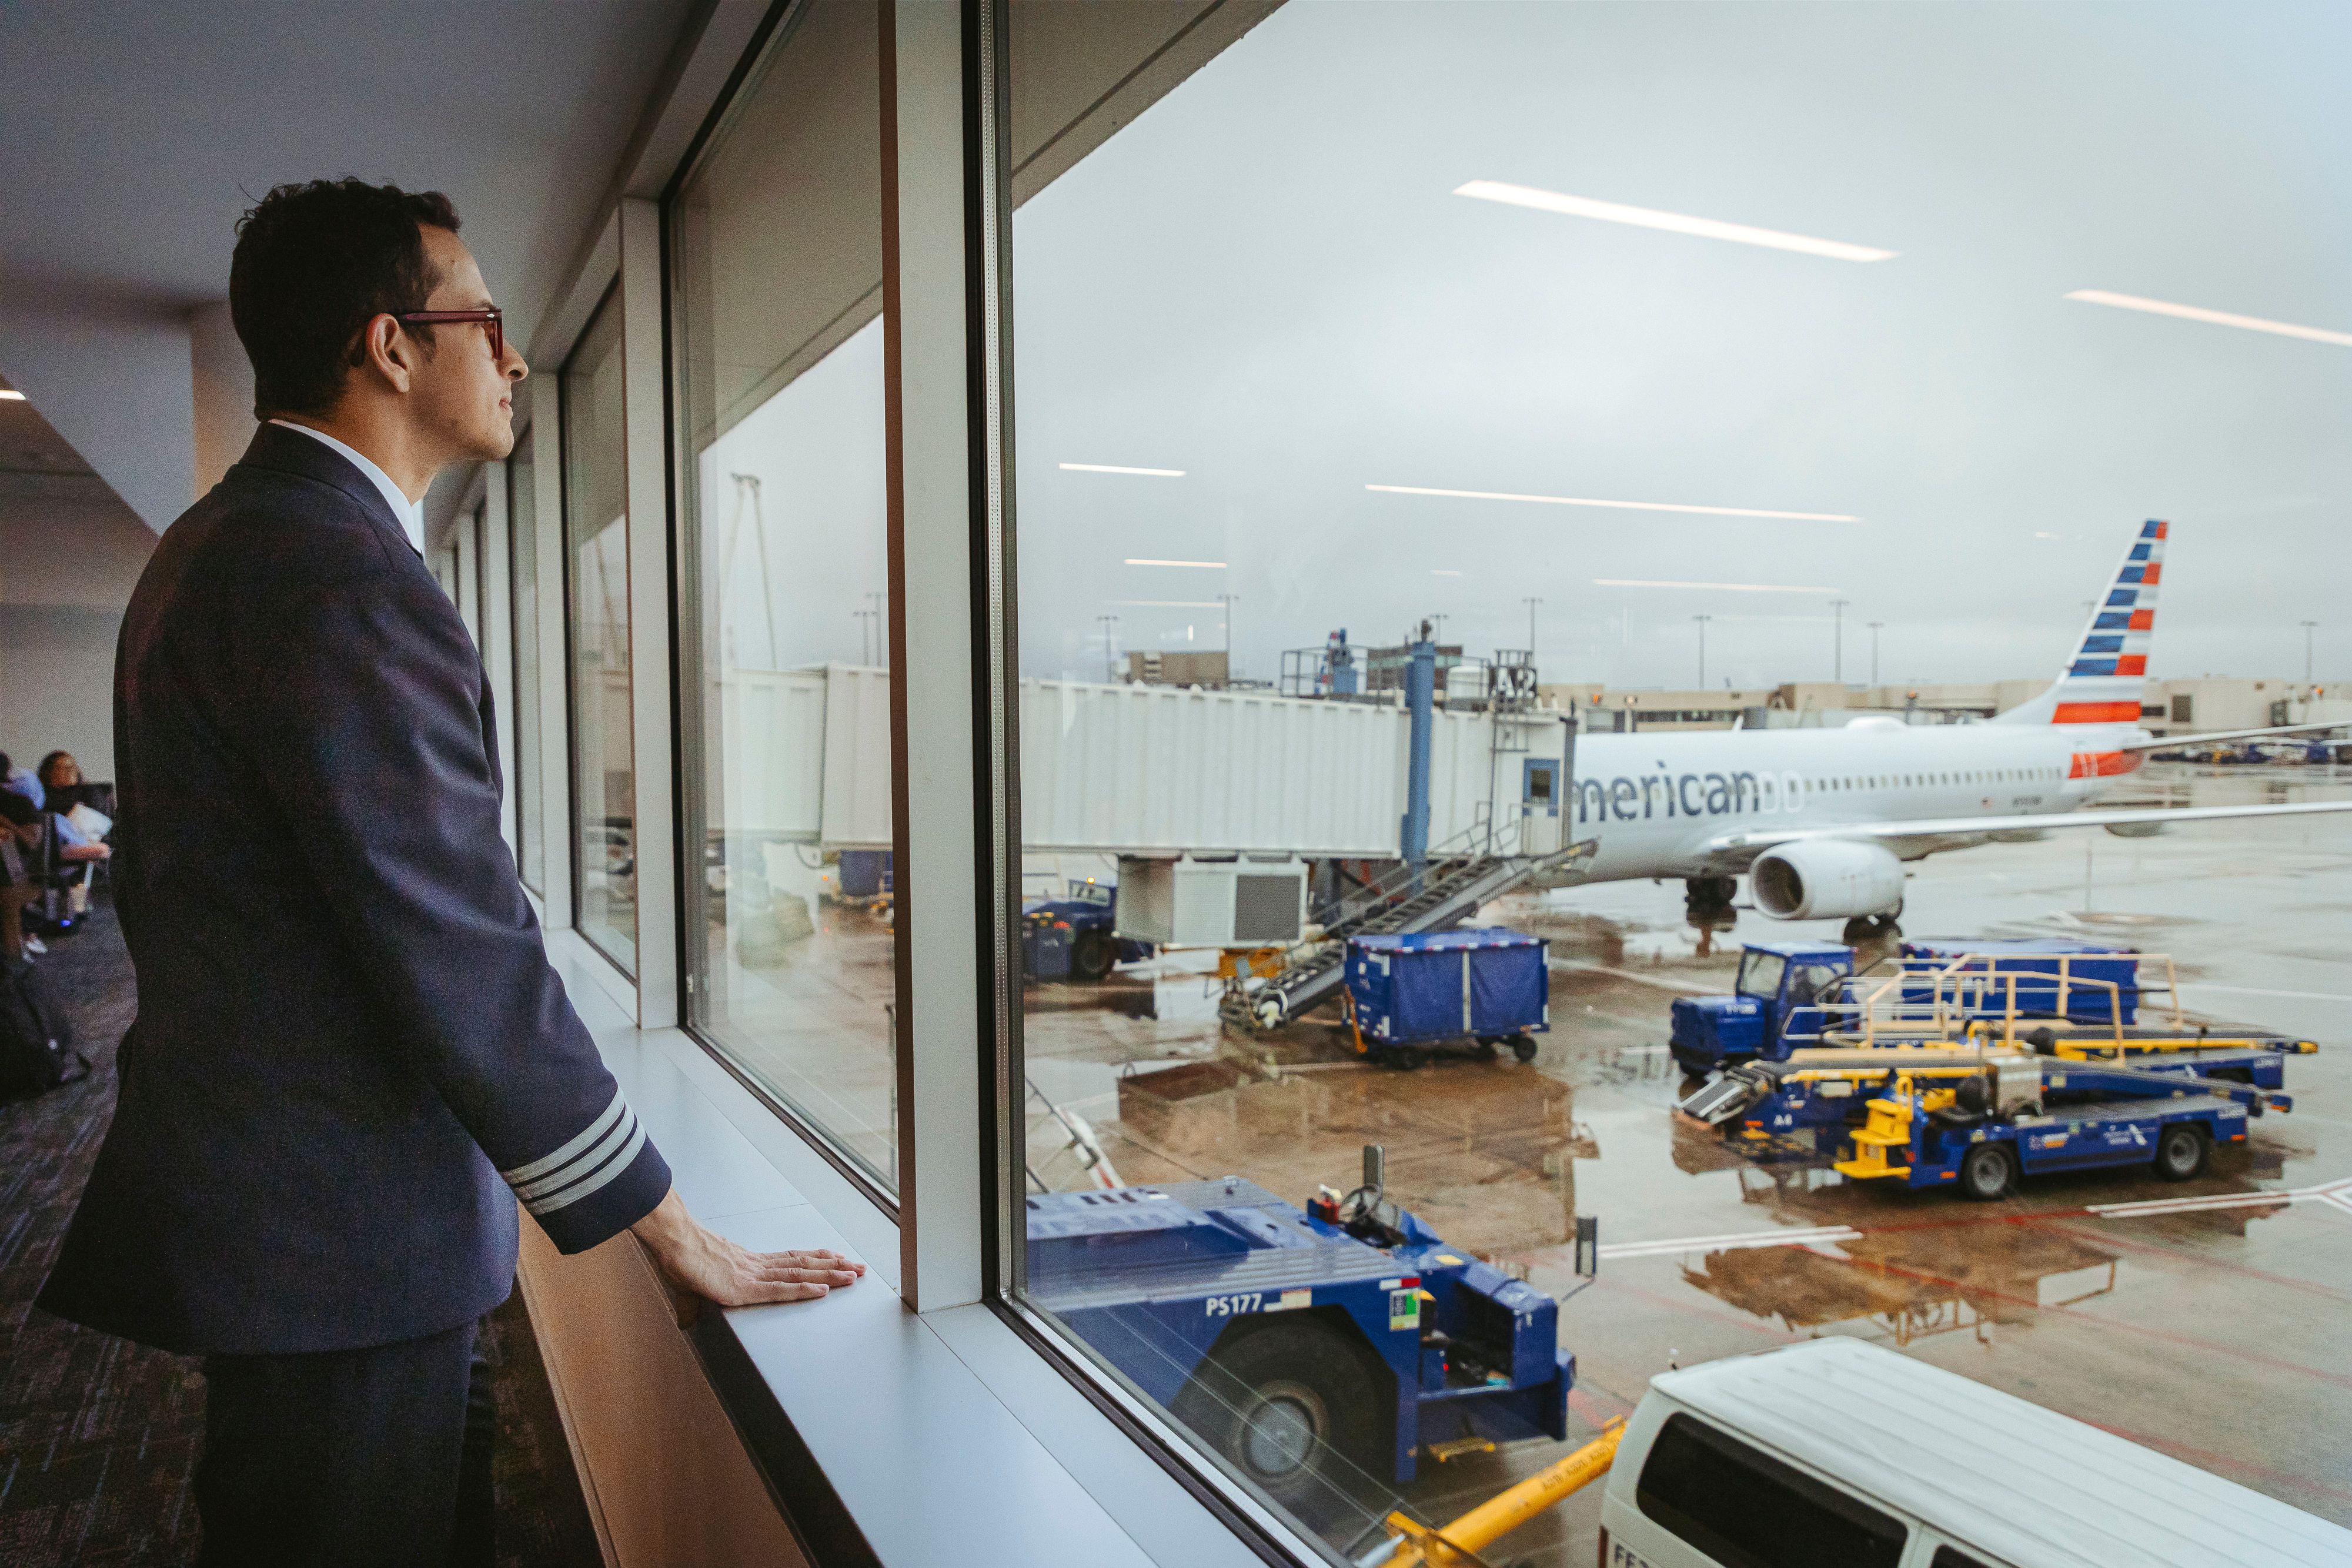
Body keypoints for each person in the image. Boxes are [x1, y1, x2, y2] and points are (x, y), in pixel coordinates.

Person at [36, 179, 863, 1567]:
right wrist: (670, 1227)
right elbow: (460, 941)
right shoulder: (338, 574)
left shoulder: (229, 542)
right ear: (392, 344)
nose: (518, 355)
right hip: (336, 1245)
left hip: (291, 1216)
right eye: (486, 319)